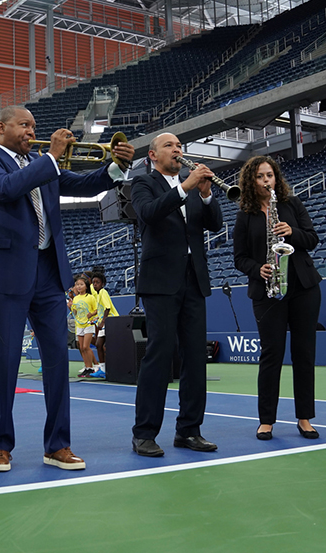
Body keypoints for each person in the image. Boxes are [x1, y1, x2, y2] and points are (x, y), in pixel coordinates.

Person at [0, 105, 132, 472]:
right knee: (4, 362)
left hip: (48, 273)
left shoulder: (44, 164)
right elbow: (5, 189)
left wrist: (116, 167)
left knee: (58, 360)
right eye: (24, 125)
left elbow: (85, 185)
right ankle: (0, 445)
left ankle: (57, 445)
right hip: (8, 273)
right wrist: (53, 157)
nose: (31, 131)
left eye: (33, 126)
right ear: (1, 128)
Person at [131, 133, 223, 457]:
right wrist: (186, 188)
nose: (177, 150)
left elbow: (215, 224)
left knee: (197, 356)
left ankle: (189, 430)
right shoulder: (143, 184)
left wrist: (208, 193)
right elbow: (149, 213)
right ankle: (144, 433)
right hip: (160, 282)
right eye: (170, 146)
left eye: (180, 146)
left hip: (193, 279)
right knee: (159, 353)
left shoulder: (194, 186)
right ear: (153, 155)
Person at [233, 155, 322, 442]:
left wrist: (291, 232)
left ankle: (304, 417)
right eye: (260, 176)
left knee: (304, 353)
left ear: (276, 177)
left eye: (269, 175)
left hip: (303, 287)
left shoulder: (291, 204)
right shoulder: (245, 215)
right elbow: (239, 258)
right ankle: (266, 420)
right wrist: (256, 268)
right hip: (268, 290)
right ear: (251, 181)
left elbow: (312, 238)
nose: (266, 180)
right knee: (271, 355)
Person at [68, 275, 99, 378]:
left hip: (88, 324)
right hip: (79, 325)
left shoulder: (90, 297)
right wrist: (71, 307)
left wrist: (91, 314)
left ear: (86, 286)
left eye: (81, 284)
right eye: (77, 285)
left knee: (86, 346)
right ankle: (87, 368)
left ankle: (91, 368)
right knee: (81, 347)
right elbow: (75, 313)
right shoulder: (76, 299)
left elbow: (97, 310)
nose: (79, 286)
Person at [89, 271, 118, 380]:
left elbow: (107, 308)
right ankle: (103, 369)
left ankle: (109, 368)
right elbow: (101, 310)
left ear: (102, 284)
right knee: (99, 345)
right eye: (93, 282)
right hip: (105, 322)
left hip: (111, 322)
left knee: (103, 345)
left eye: (97, 282)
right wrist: (97, 319)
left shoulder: (103, 292)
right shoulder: (97, 295)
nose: (95, 284)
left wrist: (103, 321)